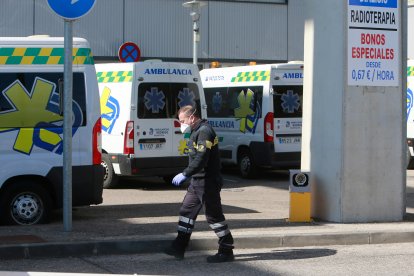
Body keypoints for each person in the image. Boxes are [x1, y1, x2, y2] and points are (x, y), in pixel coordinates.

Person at [164, 105, 234, 263]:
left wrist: (185, 173)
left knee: (214, 217)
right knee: (186, 212)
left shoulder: (204, 132)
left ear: (191, 117)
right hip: (197, 181)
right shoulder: (196, 131)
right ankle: (179, 247)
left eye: (182, 121)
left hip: (207, 181)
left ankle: (226, 249)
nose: (181, 124)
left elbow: (202, 158)